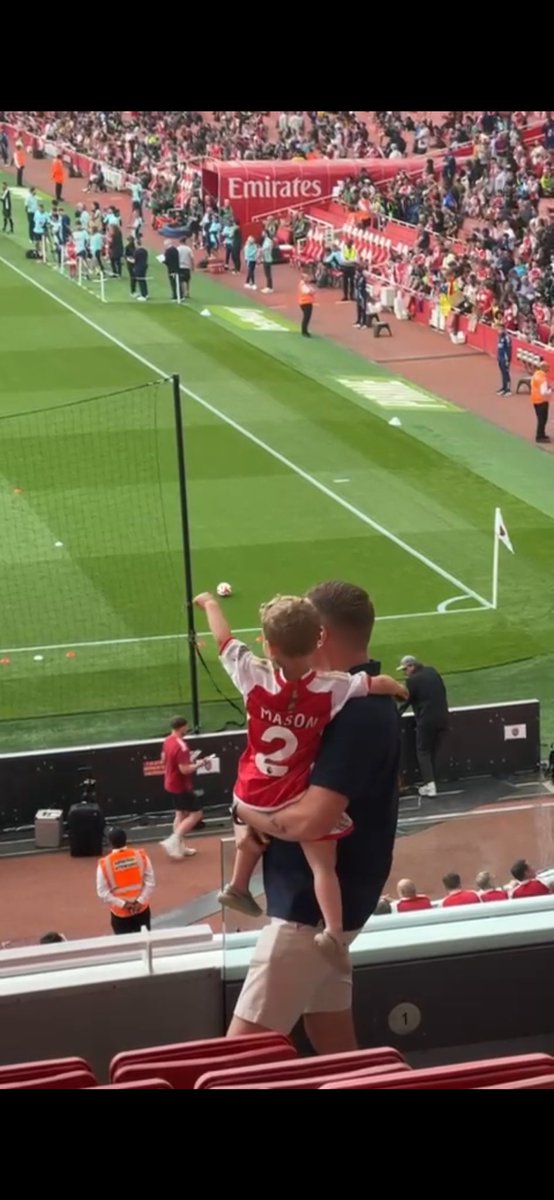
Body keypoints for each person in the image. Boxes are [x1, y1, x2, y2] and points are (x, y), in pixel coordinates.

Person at [225, 580, 402, 1049]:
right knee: (332, 1038)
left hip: (305, 917)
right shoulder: (346, 698)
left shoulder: (358, 715)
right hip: (325, 912)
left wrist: (242, 807)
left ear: (320, 635)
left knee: (232, 1062)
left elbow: (310, 822)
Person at [398, 655, 449, 797]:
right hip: (443, 717)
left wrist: (396, 714)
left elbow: (405, 700)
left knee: (423, 751)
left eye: (404, 669)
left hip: (426, 720)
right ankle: (434, 780)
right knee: (434, 750)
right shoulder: (432, 671)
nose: (404, 673)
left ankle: (430, 786)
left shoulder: (412, 681)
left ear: (411, 666)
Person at [160, 716, 207, 859]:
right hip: (181, 786)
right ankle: (174, 840)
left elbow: (163, 759)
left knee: (180, 814)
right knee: (196, 814)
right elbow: (185, 770)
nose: (188, 729)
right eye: (186, 727)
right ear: (182, 727)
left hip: (170, 783)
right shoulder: (182, 746)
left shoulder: (167, 740)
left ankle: (179, 847)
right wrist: (200, 763)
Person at [96, 828, 155, 934]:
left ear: (110, 843)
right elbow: (150, 882)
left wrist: (123, 904)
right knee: (145, 943)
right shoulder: (140, 856)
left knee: (125, 946)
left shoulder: (105, 863)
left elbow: (103, 892)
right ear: (126, 840)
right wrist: (140, 901)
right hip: (141, 910)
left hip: (120, 913)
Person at [530, 359, 551, 444]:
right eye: (547, 367)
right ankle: (540, 436)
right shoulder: (543, 379)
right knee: (543, 419)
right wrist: (550, 390)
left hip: (535, 400)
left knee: (540, 418)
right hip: (542, 401)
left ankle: (542, 434)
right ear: (544, 368)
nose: (548, 369)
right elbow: (544, 392)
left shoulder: (536, 375)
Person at [496, 324, 512, 395]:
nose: (498, 330)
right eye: (498, 329)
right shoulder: (500, 337)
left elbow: (509, 349)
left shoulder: (507, 338)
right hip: (500, 358)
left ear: (503, 329)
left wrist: (508, 360)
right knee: (502, 373)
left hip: (505, 359)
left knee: (506, 373)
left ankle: (508, 389)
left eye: (500, 329)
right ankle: (504, 387)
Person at [298, 272, 315, 337]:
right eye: (306, 277)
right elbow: (308, 291)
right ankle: (304, 331)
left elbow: (312, 290)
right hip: (305, 303)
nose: (308, 278)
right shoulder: (303, 285)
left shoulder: (305, 284)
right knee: (306, 317)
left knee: (307, 317)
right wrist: (311, 291)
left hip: (306, 302)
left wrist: (312, 291)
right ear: (303, 278)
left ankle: (305, 330)